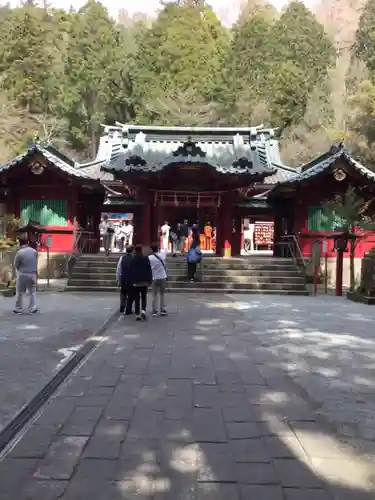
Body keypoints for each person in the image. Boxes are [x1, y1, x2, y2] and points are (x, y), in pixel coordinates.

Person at [13, 237, 38, 314]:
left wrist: (19, 269)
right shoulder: (34, 251)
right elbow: (35, 262)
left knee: (20, 292)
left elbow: (15, 264)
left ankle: (18, 308)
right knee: (32, 291)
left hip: (23, 273)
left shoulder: (20, 252)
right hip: (33, 273)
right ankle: (33, 308)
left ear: (20, 243)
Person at [127, 244, 152, 321]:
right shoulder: (146, 258)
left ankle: (137, 314)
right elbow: (149, 270)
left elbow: (130, 271)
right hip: (144, 281)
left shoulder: (133, 259)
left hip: (136, 282)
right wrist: (149, 280)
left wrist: (131, 281)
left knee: (137, 297)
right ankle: (143, 310)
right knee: (144, 297)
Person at [149, 242, 168, 317]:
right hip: (163, 277)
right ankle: (162, 309)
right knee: (162, 294)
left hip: (154, 278)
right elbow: (166, 249)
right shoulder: (162, 255)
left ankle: (154, 311)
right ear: (158, 248)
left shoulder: (149, 257)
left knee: (154, 295)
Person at [116, 246, 134, 314]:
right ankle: (128, 308)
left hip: (123, 278)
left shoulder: (122, 258)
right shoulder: (134, 258)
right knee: (131, 294)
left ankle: (122, 307)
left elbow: (119, 270)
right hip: (131, 278)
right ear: (132, 251)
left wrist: (118, 279)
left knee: (123, 293)